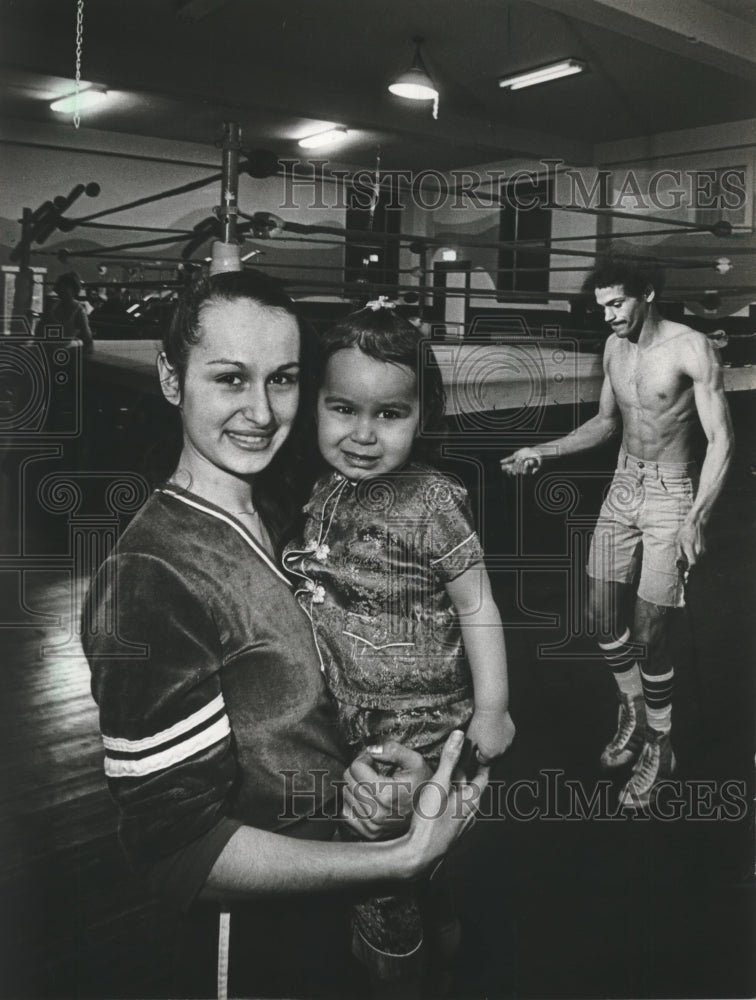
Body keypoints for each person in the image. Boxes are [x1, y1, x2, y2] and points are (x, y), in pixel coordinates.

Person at [82, 271, 486, 999]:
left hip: (338, 901)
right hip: (263, 941)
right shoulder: (150, 575)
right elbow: (178, 851)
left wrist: (375, 782)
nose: (261, 412)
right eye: (231, 379)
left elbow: (313, 715)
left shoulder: (293, 505)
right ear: (171, 379)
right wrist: (394, 861)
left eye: (284, 380)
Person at [284, 298, 515, 995]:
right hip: (349, 724)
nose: (363, 433)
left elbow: (477, 603)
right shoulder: (323, 489)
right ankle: (439, 931)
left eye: (390, 414)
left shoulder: (431, 499)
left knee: (379, 877)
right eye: (343, 408)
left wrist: (494, 707)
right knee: (414, 857)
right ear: (316, 407)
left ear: (423, 417)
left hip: (413, 727)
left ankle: (400, 967)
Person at [501, 257, 733, 810]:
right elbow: (607, 423)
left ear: (646, 294)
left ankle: (660, 741)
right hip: (623, 486)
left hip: (672, 495)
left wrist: (696, 517)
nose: (607, 316)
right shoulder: (614, 348)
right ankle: (632, 706)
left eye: (616, 304)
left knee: (649, 636)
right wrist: (543, 450)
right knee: (601, 618)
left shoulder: (690, 348)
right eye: (600, 306)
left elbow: (720, 438)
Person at [36, 271, 93, 351]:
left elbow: (87, 339)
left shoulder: (78, 311)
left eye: (65, 288)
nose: (62, 290)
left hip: (65, 354)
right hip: (47, 350)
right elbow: (39, 331)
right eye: (60, 288)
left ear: (74, 289)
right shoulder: (52, 306)